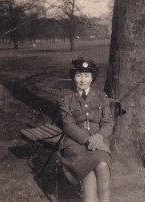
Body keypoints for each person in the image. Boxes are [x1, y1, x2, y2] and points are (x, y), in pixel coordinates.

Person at [58, 57, 114, 202]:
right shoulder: (66, 100)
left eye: (87, 75)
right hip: (75, 143)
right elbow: (68, 126)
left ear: (92, 78)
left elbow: (108, 122)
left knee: (102, 166)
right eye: (79, 75)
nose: (83, 80)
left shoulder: (102, 97)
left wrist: (100, 137)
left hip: (98, 139)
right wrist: (89, 140)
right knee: (88, 173)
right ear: (73, 77)